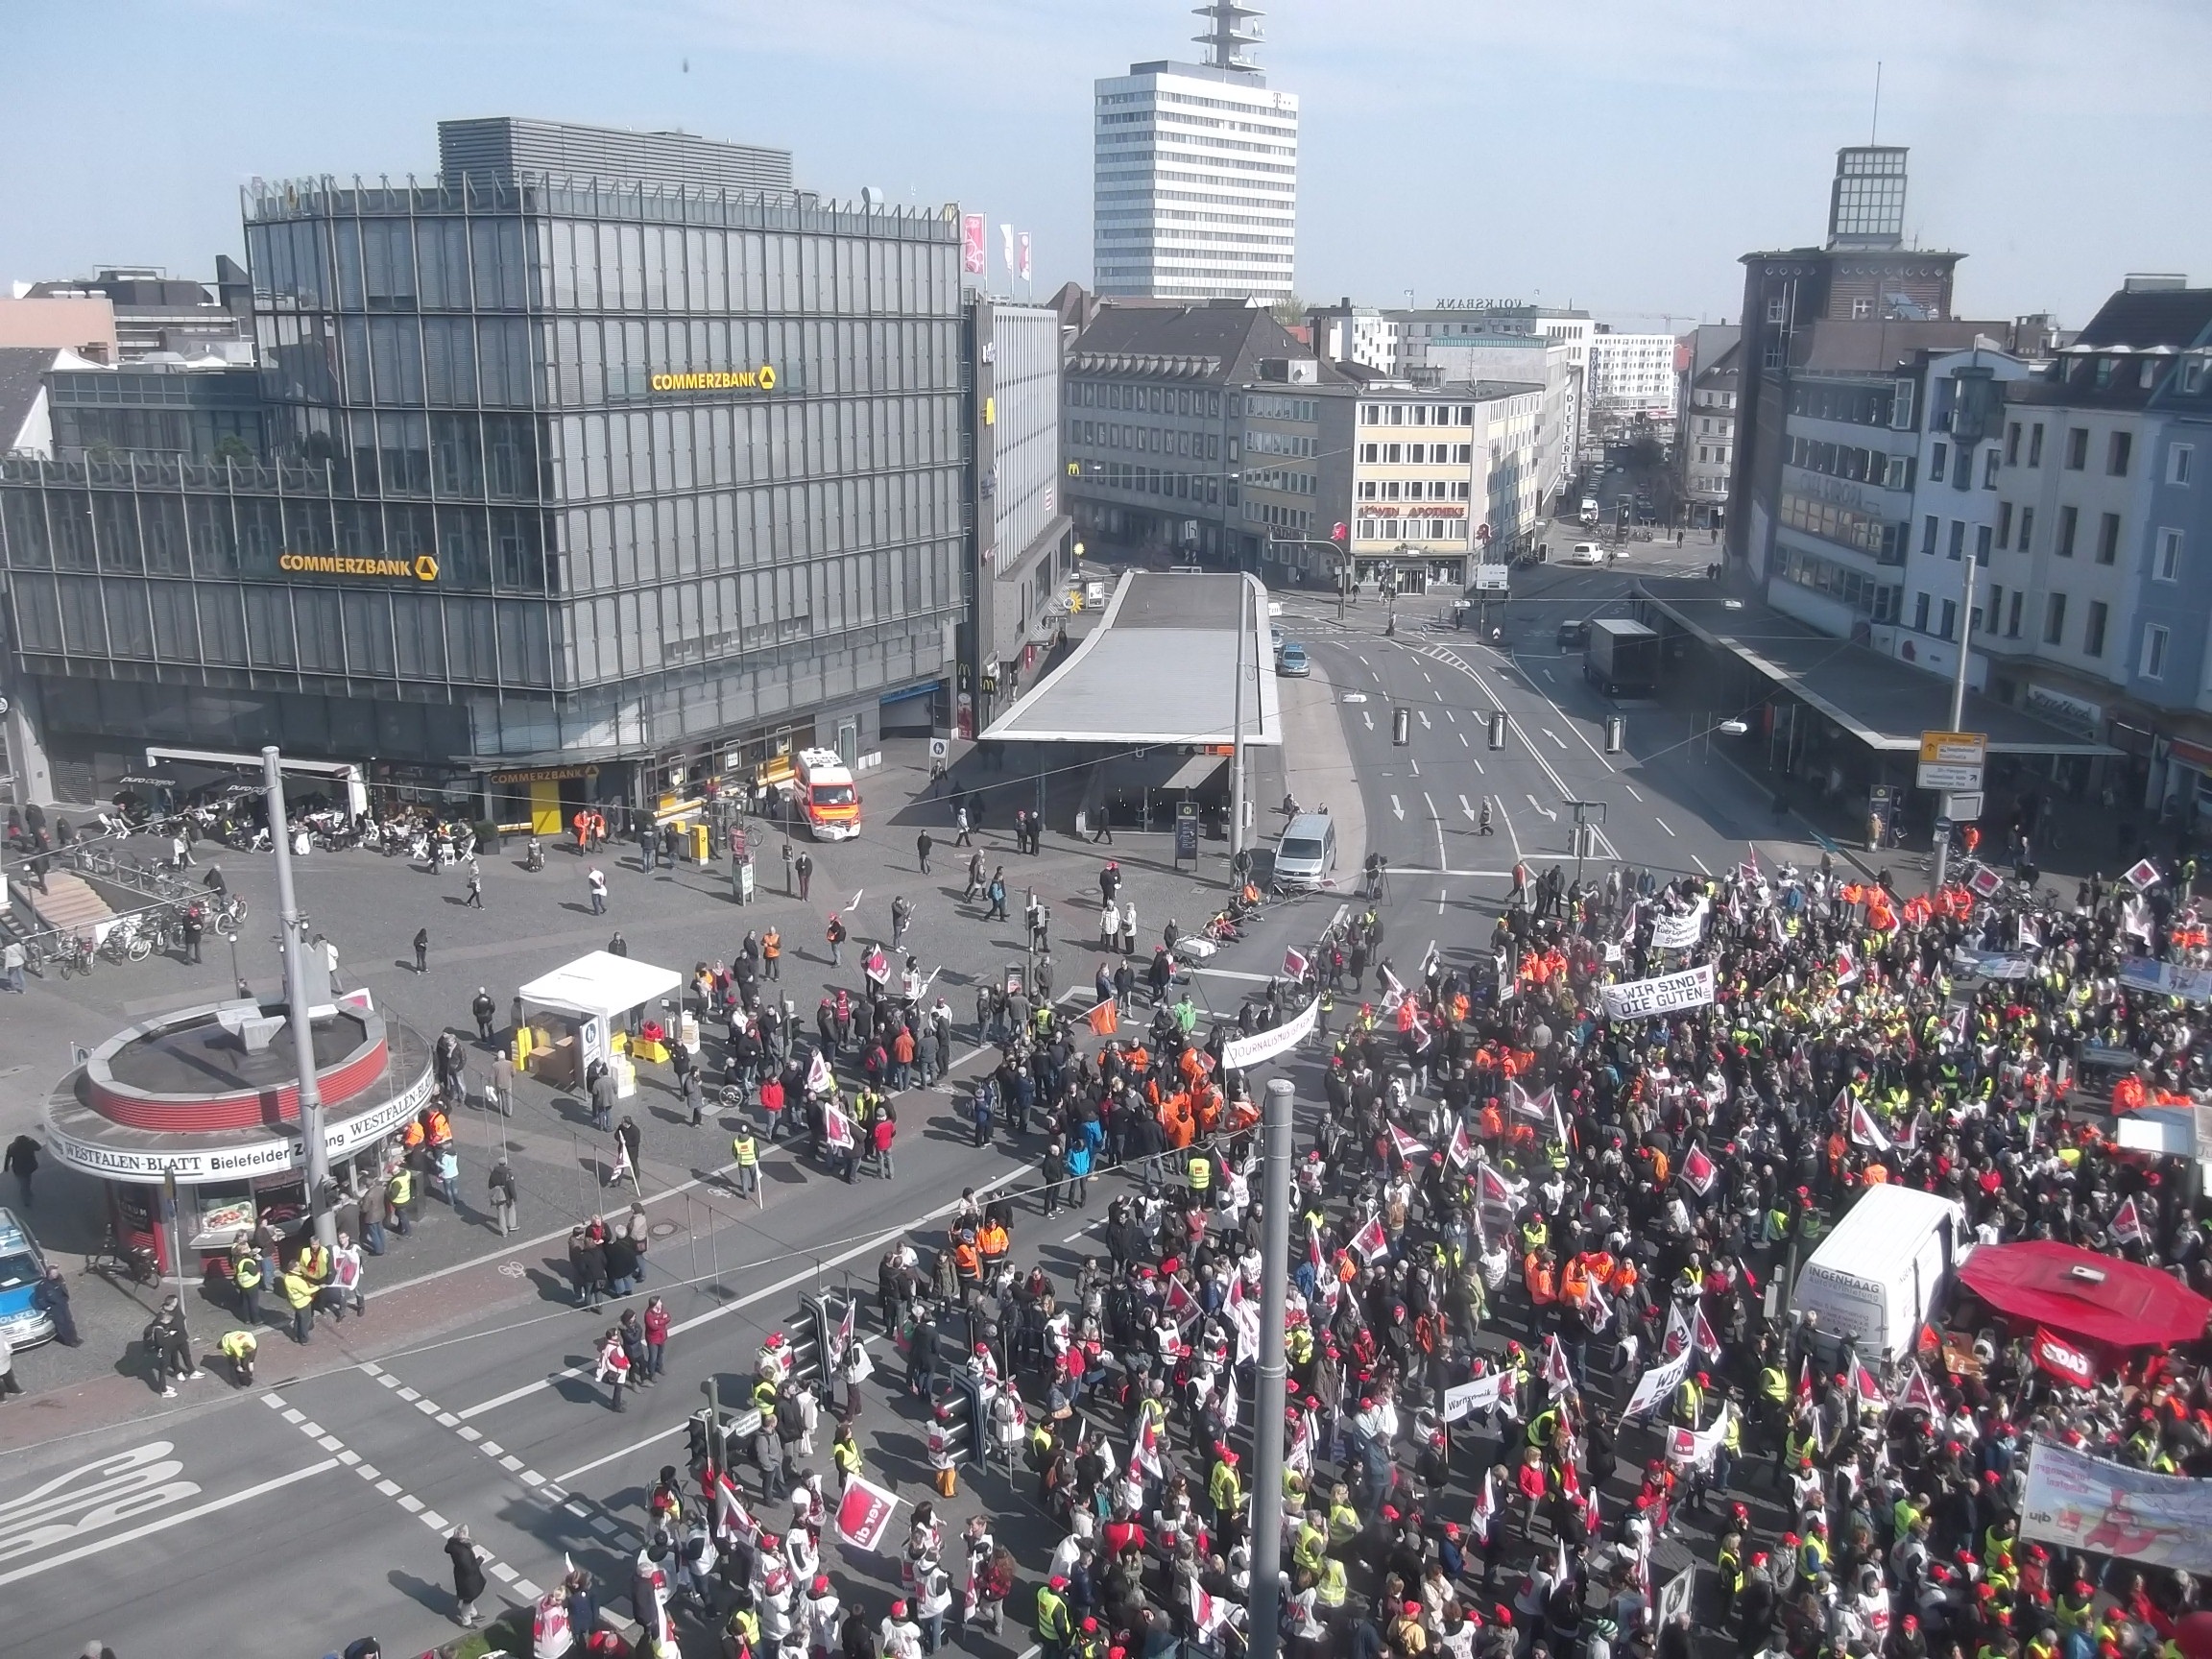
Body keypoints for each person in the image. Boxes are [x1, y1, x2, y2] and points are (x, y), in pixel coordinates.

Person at [446, 1524, 490, 1628]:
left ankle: (472, 1612)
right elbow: (470, 1568)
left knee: (470, 1596)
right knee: (468, 1598)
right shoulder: (463, 1552)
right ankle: (466, 1620)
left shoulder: (454, 1546)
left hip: (461, 1575)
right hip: (468, 1579)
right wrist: (481, 1558)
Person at [34, 1266, 78, 1346]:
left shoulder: (59, 1279)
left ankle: (74, 1338)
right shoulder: (43, 1286)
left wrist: (65, 1298)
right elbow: (40, 1298)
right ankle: (69, 1341)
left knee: (69, 1321)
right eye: (54, 1273)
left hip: (63, 1304)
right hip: (54, 1307)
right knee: (61, 1324)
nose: (56, 1274)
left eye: (56, 1272)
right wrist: (47, 1307)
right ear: (48, 1274)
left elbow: (63, 1288)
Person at [4, 1134, 36, 1209]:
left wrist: (6, 1167)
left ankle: (26, 1193)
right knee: (26, 1181)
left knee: (23, 1182)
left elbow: (7, 1157)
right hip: (28, 1167)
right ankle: (26, 1197)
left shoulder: (12, 1147)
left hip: (17, 1168)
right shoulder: (29, 1145)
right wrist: (32, 1140)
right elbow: (39, 1147)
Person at [488, 1158, 519, 1235]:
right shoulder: (508, 1172)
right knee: (511, 1208)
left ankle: (504, 1232)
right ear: (505, 1163)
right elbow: (510, 1186)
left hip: (499, 1195)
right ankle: (512, 1225)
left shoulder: (494, 1172)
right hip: (507, 1194)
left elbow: (490, 1185)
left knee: (500, 1212)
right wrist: (514, 1196)